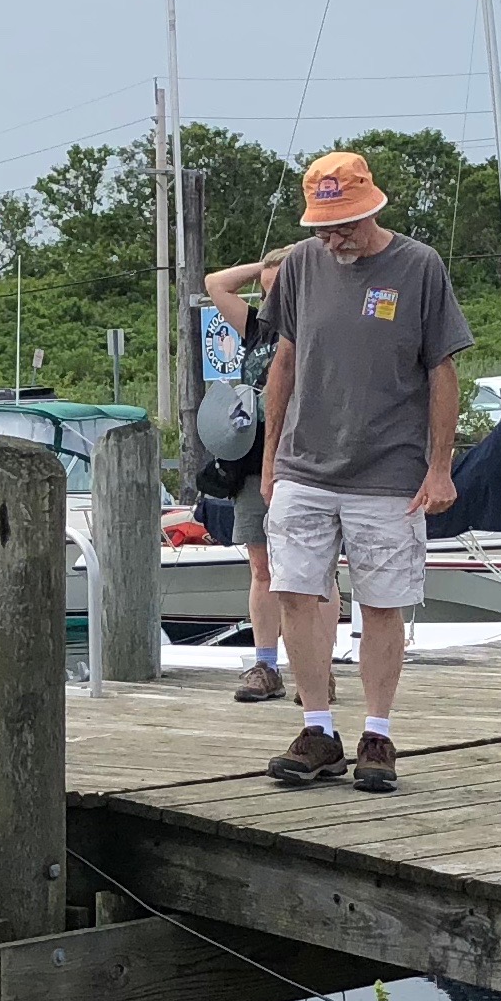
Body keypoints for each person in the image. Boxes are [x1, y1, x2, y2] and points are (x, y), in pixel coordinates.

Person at [260, 152, 471, 792]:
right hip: (304, 462)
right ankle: (317, 728)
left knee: (382, 602)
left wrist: (441, 468)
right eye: (325, 226)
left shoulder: (419, 265)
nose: (334, 237)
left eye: (345, 223)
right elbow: (285, 363)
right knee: (294, 590)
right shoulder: (299, 265)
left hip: (389, 469)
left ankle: (377, 732)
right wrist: (270, 462)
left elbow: (442, 370)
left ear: (373, 206)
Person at [203, 247, 341, 703]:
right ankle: (265, 665)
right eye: (267, 291)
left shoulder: (320, 329)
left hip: (309, 459)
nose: (273, 298)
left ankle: (319, 670)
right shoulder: (255, 328)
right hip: (253, 456)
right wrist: (265, 266)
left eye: (282, 289)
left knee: (317, 572)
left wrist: (302, 266)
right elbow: (215, 283)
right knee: (261, 567)